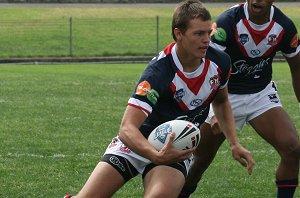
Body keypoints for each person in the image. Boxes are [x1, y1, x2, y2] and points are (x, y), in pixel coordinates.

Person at [63, 1, 255, 197]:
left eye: (208, 32)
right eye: (198, 34)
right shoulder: (158, 73)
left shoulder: (221, 62)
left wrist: (234, 143)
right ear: (178, 33)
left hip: (175, 147)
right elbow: (127, 128)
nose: (206, 40)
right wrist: (155, 154)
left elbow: (221, 101)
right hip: (135, 143)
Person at [179, 0, 300, 198]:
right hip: (224, 95)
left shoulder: (284, 26)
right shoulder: (227, 22)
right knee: (199, 161)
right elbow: (210, 68)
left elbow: (297, 67)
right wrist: (213, 109)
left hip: (260, 95)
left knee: (293, 149)